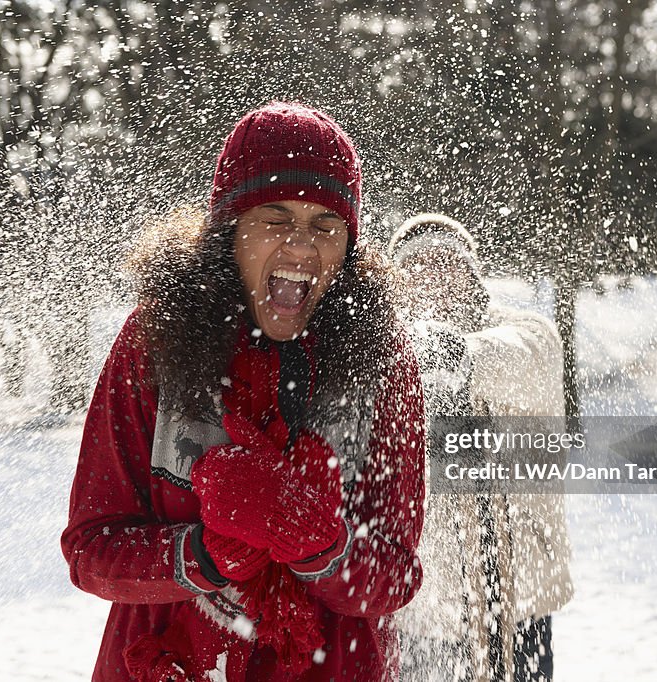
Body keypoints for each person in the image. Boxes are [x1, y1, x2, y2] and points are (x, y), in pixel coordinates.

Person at [60, 102, 426, 682]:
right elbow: (90, 550)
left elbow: (397, 576)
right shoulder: (153, 342)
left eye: (325, 226)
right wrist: (204, 555)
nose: (303, 247)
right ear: (230, 232)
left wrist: (320, 548)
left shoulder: (382, 363)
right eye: (276, 218)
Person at [388, 213, 574, 682]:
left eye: (446, 264)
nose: (433, 279)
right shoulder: (388, 351)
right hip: (421, 614)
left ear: (470, 274)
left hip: (516, 608)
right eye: (417, 267)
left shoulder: (524, 333)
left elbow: (526, 359)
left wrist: (456, 355)